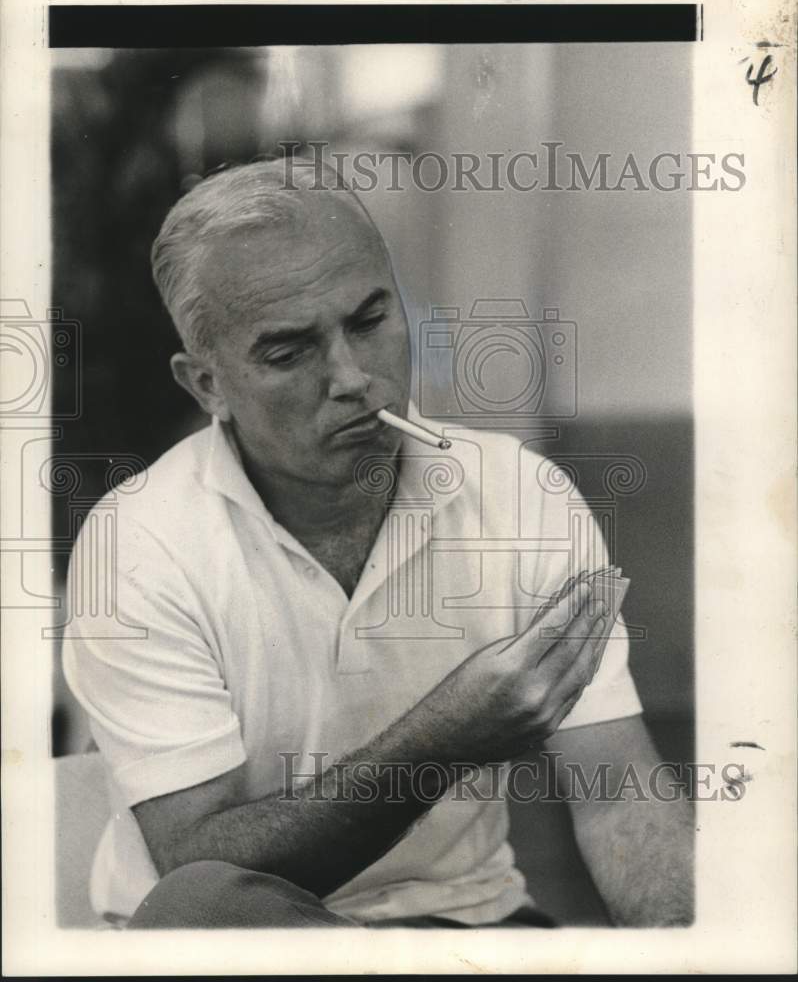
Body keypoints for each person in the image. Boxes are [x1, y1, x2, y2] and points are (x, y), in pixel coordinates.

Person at [63, 158, 693, 929]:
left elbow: (618, 793)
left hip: (467, 929)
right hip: (242, 944)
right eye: (290, 352)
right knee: (195, 905)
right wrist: (444, 741)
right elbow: (197, 869)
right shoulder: (139, 545)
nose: (354, 378)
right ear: (207, 385)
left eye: (369, 321)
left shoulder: (520, 494)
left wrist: (690, 952)